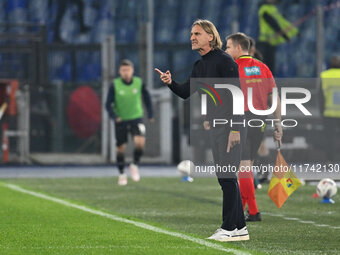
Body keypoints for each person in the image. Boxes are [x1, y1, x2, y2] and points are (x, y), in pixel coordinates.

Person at [155, 19, 249, 242]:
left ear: (210, 36)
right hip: (218, 127)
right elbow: (186, 92)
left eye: (197, 33)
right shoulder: (200, 66)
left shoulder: (225, 61)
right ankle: (240, 227)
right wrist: (170, 82)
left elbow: (237, 95)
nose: (192, 37)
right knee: (225, 178)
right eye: (191, 34)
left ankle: (228, 227)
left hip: (232, 126)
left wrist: (235, 129)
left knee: (227, 177)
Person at [225, 32, 282, 221]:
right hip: (260, 120)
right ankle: (242, 209)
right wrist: (278, 123)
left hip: (240, 119)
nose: (226, 50)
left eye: (228, 47)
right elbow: (274, 98)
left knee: (242, 167)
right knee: (247, 165)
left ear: (239, 48)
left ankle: (254, 211)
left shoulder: (232, 69)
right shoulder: (263, 67)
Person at [105, 59, 154, 186]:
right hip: (121, 119)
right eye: (123, 70)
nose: (126, 73)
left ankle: (134, 164)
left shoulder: (138, 82)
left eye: (128, 70)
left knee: (140, 142)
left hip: (136, 117)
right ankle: (122, 174)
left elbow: (147, 97)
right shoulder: (115, 85)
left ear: (132, 71)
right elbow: (107, 104)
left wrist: (150, 114)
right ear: (119, 72)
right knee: (121, 148)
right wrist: (114, 116)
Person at [257, 0, 298, 73]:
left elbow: (282, 22)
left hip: (271, 43)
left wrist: (295, 31)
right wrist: (284, 35)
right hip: (264, 42)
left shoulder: (273, 9)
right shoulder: (264, 9)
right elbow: (273, 24)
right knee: (263, 67)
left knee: (270, 68)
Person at [320, 56, 340, 162]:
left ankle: (330, 161)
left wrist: (321, 112)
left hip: (329, 113)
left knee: (330, 139)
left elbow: (320, 97)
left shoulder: (325, 76)